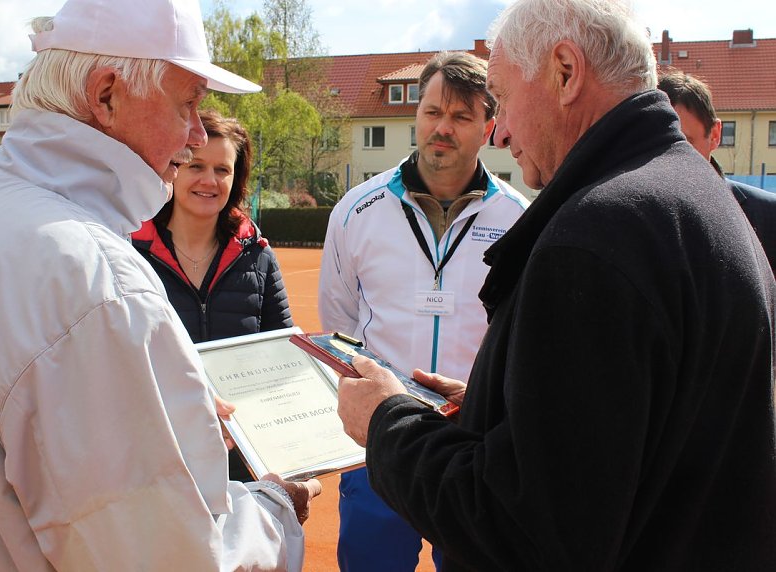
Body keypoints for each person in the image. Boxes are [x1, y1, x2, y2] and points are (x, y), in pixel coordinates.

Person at [336, 0, 776, 570]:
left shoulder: (594, 239)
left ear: (565, 72)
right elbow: (649, 427)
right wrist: (502, 404)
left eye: (504, 97)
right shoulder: (695, 197)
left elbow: (524, 532)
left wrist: (385, 423)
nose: (502, 133)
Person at [0, 0, 321, 570]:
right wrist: (276, 511)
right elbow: (169, 556)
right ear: (106, 94)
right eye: (188, 104)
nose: (196, 134)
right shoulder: (93, 277)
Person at [319, 51, 529, 571]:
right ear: (416, 116)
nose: (442, 128)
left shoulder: (519, 219)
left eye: (460, 117)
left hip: (472, 446)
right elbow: (339, 325)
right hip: (380, 440)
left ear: (488, 126)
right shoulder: (356, 210)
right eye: (433, 112)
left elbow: (520, 338)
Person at [133, 109, 293, 482]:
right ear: (174, 167)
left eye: (223, 169)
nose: (210, 180)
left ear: (236, 179)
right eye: (196, 165)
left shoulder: (258, 256)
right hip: (159, 457)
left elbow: (285, 352)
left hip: (242, 454)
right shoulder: (130, 255)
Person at [657, 69, 776, 273]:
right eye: (658, 144)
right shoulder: (629, 218)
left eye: (683, 142)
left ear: (714, 135)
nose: (668, 157)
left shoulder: (767, 215)